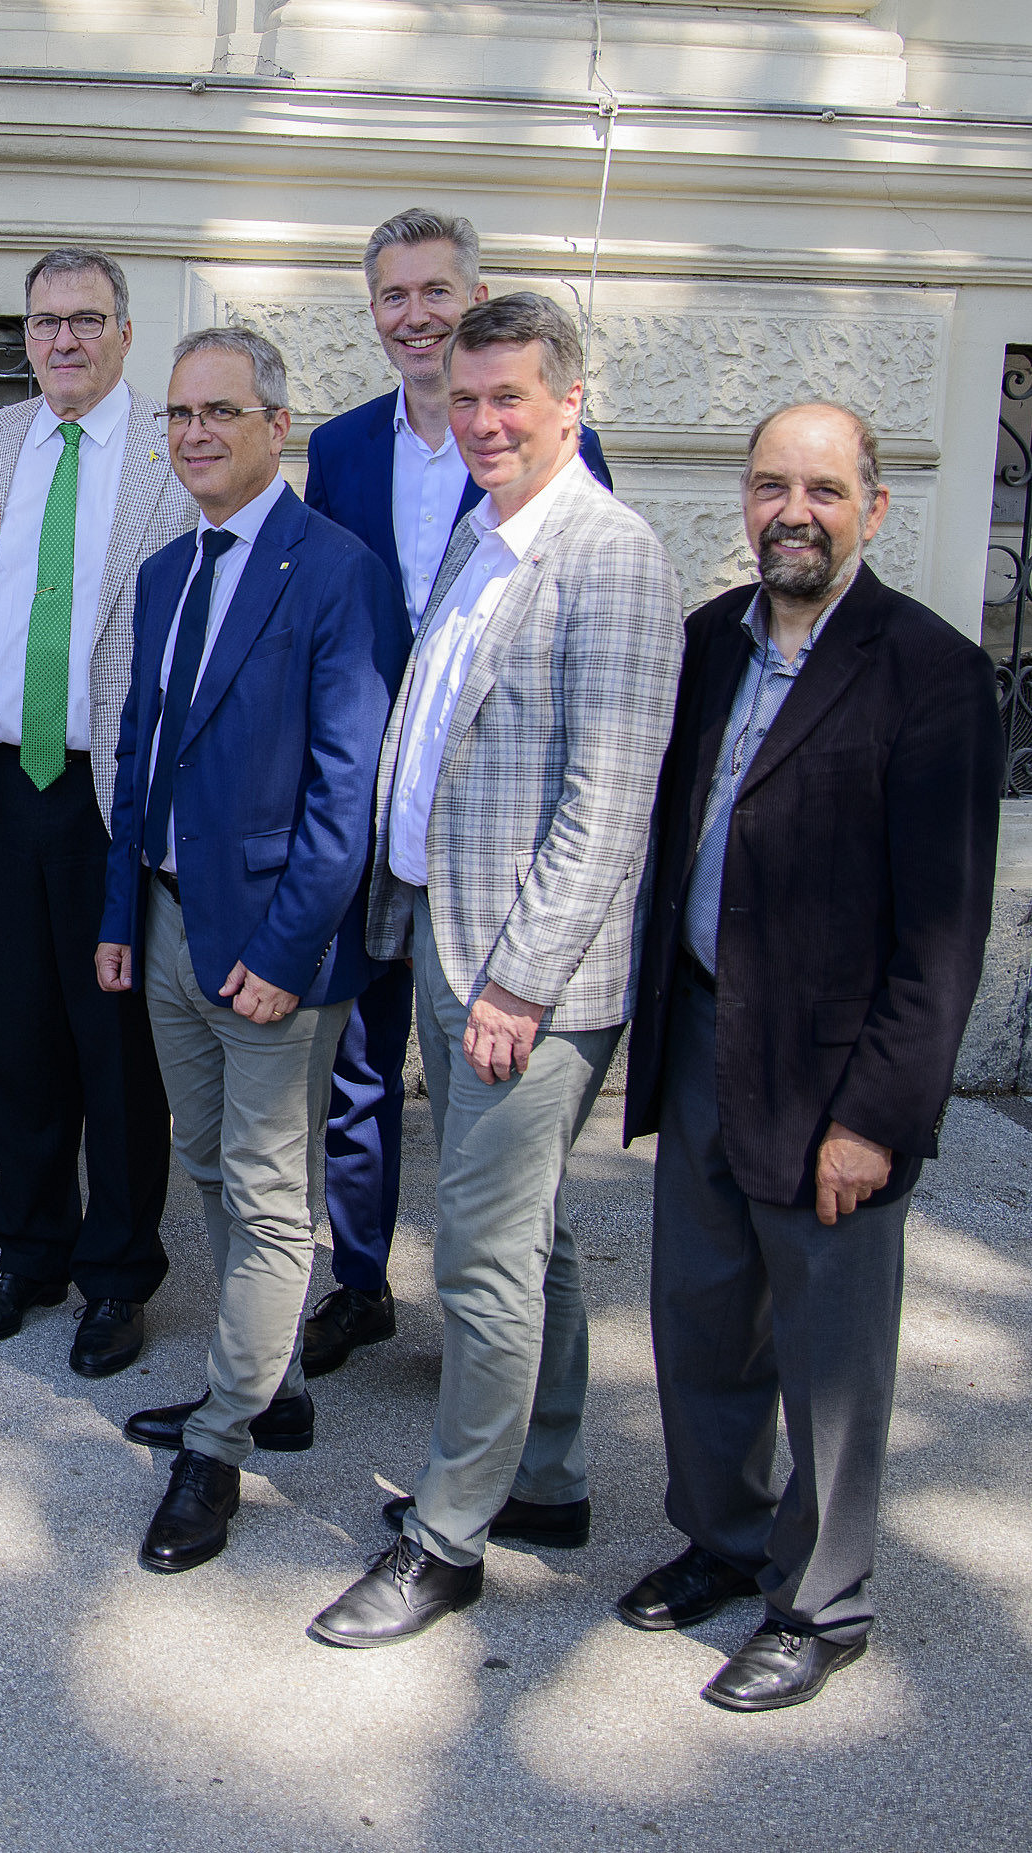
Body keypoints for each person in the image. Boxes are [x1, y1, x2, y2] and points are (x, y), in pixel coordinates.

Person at [310, 292, 682, 1650]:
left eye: (506, 399)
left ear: (566, 402)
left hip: (527, 974)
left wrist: (520, 983)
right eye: (464, 400)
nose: (478, 423)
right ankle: (550, 1476)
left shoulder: (609, 552)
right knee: (531, 1234)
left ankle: (447, 1535)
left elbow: (605, 801)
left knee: (477, 1252)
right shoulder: (485, 528)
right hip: (445, 938)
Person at [618, 402, 1000, 1712]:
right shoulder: (705, 643)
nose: (795, 509)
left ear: (872, 509)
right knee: (701, 1316)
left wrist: (876, 1115)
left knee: (832, 1355)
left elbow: (941, 932)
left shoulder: (931, 673)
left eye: (824, 490)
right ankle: (722, 1539)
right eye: (772, 485)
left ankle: (820, 1600)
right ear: (744, 497)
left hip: (833, 1076)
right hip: (707, 1037)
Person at [94, 328, 404, 1573]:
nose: (193, 433)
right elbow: (137, 753)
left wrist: (287, 950)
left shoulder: (338, 571)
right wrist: (121, 915)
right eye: (176, 414)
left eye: (219, 410)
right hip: (169, 924)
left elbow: (348, 795)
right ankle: (263, 1383)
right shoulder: (168, 571)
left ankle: (218, 1444)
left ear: (278, 423)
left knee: (271, 1194)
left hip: (272, 946)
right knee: (211, 1168)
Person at [297, 208, 613, 1379]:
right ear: (371, 311)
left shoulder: (547, 448)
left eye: (435, 291)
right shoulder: (335, 451)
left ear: (471, 297)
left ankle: (488, 1321)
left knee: (486, 1090)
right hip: (368, 805)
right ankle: (361, 1281)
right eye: (392, 295)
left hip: (490, 836)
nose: (414, 315)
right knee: (359, 1062)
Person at [0, 246, 197, 1375]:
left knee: (115, 1045)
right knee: (14, 1040)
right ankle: (27, 1250)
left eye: (84, 320)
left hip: (110, 790)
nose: (62, 341)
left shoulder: (172, 449)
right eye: (42, 322)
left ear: (124, 331)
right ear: (23, 335)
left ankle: (116, 1275)